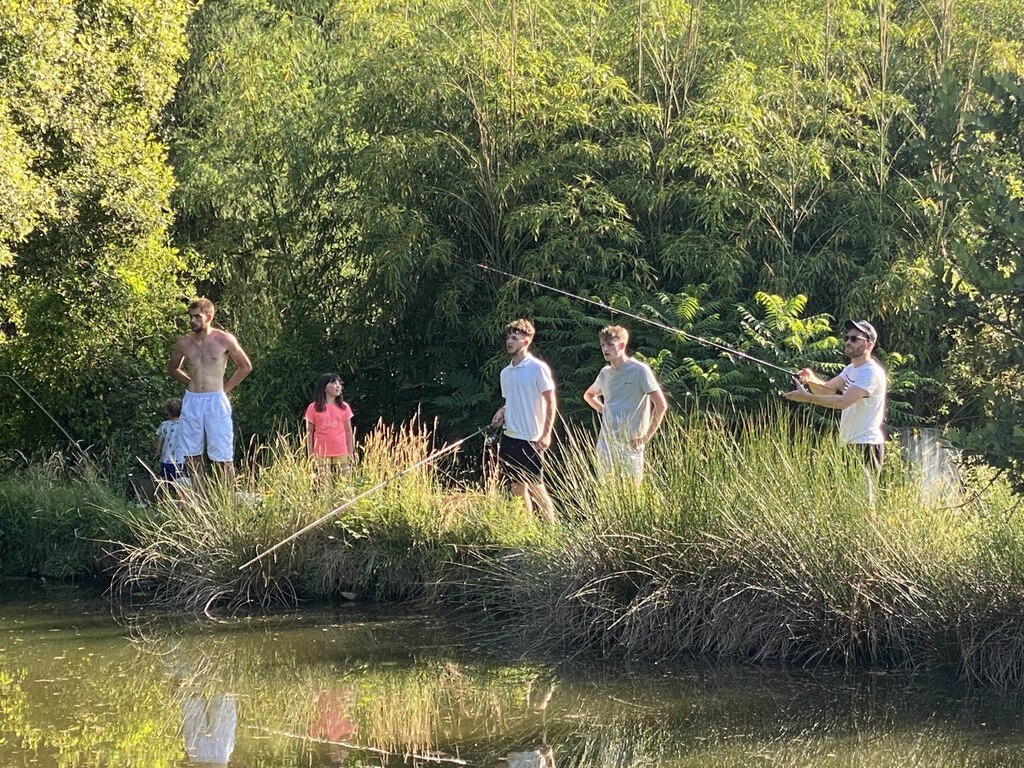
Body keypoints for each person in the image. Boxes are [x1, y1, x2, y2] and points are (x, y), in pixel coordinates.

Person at [782, 319, 888, 473]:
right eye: (846, 338)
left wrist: (807, 397)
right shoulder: (850, 369)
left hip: (867, 445)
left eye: (854, 339)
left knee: (863, 497)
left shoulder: (871, 372)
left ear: (869, 344)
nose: (848, 342)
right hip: (848, 443)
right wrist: (810, 379)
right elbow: (826, 390)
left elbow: (843, 401)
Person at [166, 298, 252, 486]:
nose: (192, 321)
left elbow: (245, 366)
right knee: (191, 452)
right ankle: (200, 497)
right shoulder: (184, 342)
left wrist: (224, 389)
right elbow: (172, 368)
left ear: (209, 316)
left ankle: (226, 497)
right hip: (193, 400)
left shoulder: (223, 339)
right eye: (191, 316)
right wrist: (190, 382)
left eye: (197, 316)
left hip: (215, 400)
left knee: (222, 452)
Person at [490, 319, 557, 523]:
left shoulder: (537, 368)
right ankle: (525, 531)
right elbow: (511, 400)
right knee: (516, 487)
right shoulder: (506, 373)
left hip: (532, 438)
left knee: (537, 487)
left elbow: (550, 400)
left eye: (515, 338)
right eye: (508, 337)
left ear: (526, 341)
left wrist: (546, 433)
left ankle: (551, 532)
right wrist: (501, 412)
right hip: (510, 437)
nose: (509, 341)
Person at [583, 325, 668, 482]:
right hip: (606, 444)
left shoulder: (639, 370)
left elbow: (661, 405)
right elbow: (589, 395)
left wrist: (645, 437)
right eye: (602, 345)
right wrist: (603, 409)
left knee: (631, 493)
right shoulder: (605, 373)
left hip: (630, 445)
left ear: (622, 346)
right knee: (607, 492)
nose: (605, 349)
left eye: (610, 345)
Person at [305, 373, 355, 484]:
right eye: (333, 382)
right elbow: (309, 432)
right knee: (324, 485)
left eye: (339, 383)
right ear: (324, 387)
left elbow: (348, 430)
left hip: (341, 449)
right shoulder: (313, 408)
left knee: (345, 484)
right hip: (321, 451)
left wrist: (350, 452)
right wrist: (310, 453)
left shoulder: (344, 407)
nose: (338, 386)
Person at [155, 397, 185, 482]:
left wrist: (157, 452)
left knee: (165, 482)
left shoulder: (164, 425)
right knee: (181, 482)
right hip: (180, 459)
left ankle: (164, 494)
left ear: (168, 411)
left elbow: (160, 440)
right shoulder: (184, 425)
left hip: (166, 459)